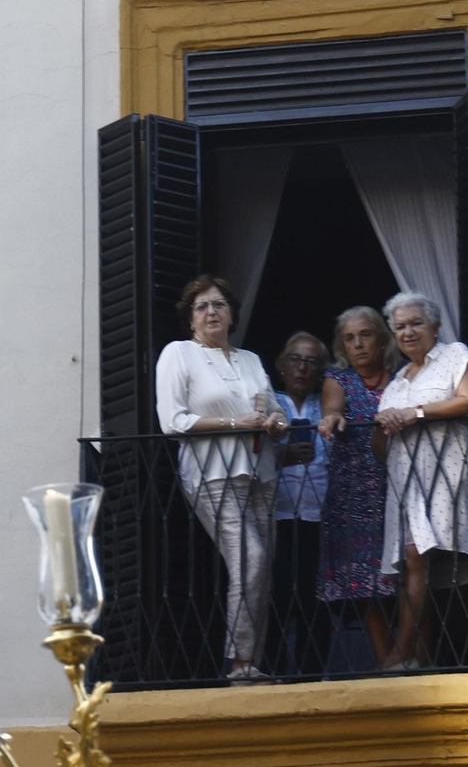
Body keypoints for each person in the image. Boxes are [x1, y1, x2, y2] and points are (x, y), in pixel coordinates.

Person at [155, 275, 288, 680]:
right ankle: (240, 663)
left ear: (231, 314)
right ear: (191, 319)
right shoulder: (179, 354)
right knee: (252, 559)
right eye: (201, 307)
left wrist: (278, 420)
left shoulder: (249, 360)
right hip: (212, 474)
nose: (211, 312)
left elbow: (272, 403)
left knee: (262, 569)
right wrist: (233, 422)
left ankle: (253, 661)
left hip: (261, 472)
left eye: (218, 305)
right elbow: (172, 421)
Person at [375, 291, 468, 670]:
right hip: (405, 482)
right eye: (400, 327)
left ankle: (400, 654)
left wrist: (413, 413)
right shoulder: (396, 383)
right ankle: (415, 657)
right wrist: (384, 423)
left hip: (444, 475)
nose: (408, 332)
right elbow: (380, 448)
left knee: (417, 557)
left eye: (416, 323)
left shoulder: (455, 355)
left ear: (435, 326)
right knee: (414, 561)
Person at [317, 306, 400, 668]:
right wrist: (333, 418)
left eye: (365, 334)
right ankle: (388, 662)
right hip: (353, 497)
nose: (358, 344)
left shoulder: (403, 377)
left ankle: (417, 655)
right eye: (349, 338)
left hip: (400, 489)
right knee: (367, 586)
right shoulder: (339, 379)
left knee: (413, 575)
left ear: (382, 339)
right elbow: (332, 409)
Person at [264, 331, 333, 676]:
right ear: (280, 366)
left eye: (312, 361)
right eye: (295, 359)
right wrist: (282, 457)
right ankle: (272, 670)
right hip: (276, 515)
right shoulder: (269, 403)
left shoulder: (328, 405)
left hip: (319, 518)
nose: (303, 368)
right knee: (276, 594)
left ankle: (312, 673)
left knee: (315, 598)